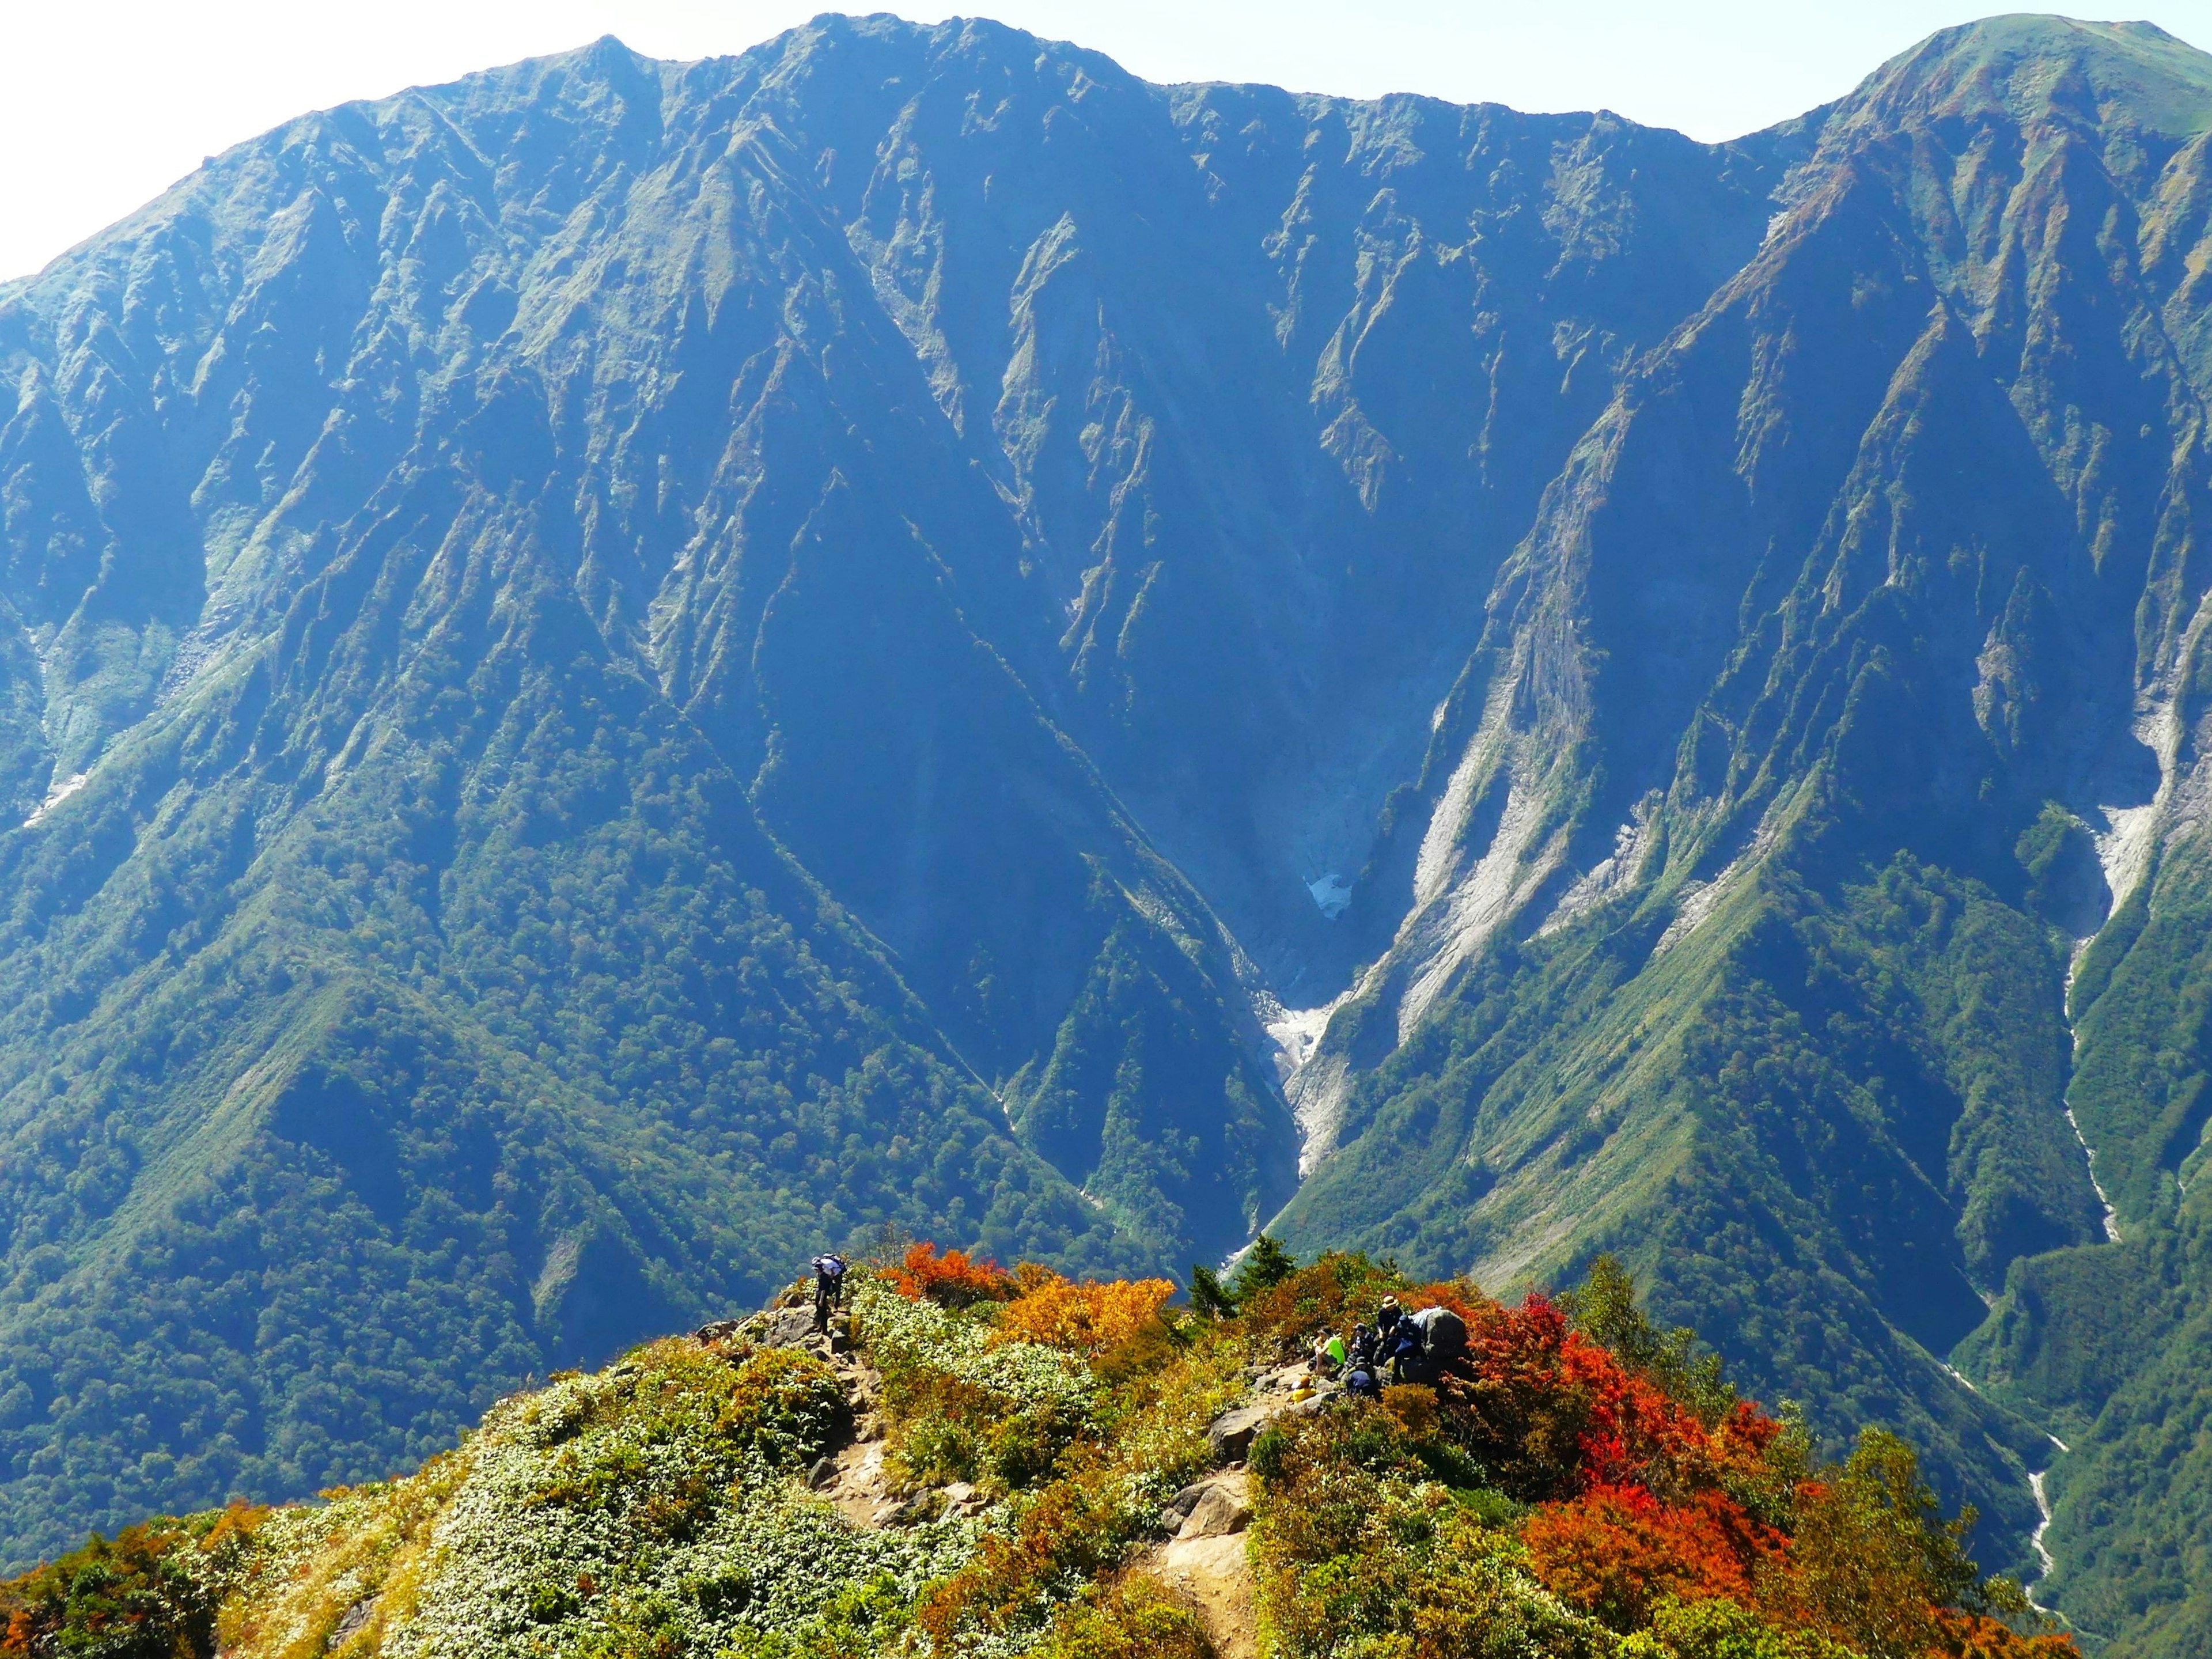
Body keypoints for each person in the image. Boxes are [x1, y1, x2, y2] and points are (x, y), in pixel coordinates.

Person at [811, 1252, 848, 1332]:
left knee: (837, 1290)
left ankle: (836, 1306)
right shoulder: (822, 1267)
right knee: (829, 1288)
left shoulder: (827, 1263)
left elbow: (831, 1272)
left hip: (837, 1274)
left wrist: (828, 1280)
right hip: (831, 1275)